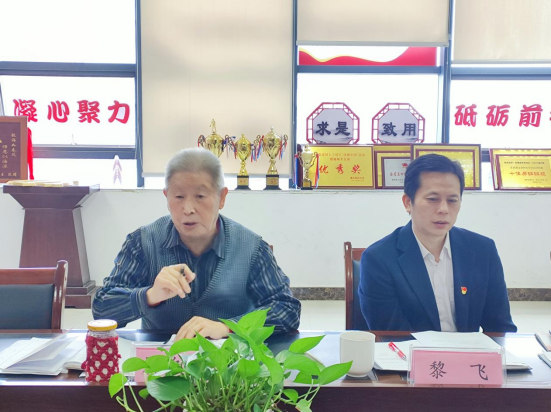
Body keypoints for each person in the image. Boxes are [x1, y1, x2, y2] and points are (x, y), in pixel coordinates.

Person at [93, 148, 301, 340]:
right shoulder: (142, 242)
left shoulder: (251, 248)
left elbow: (287, 310)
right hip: (159, 363)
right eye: (179, 196)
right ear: (166, 197)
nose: (188, 209)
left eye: (200, 196)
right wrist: (150, 295)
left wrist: (229, 328)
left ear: (222, 197)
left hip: (230, 363)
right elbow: (101, 309)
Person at [359, 154, 516, 333]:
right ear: (408, 202)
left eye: (452, 200)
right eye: (433, 199)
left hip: (470, 351)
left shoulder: (482, 250)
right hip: (409, 350)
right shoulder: (379, 258)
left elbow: (500, 326)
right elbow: (391, 334)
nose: (443, 209)